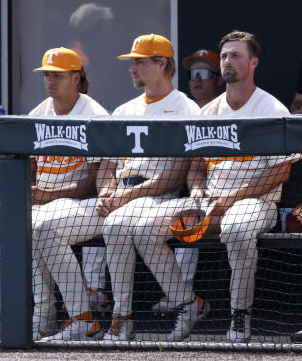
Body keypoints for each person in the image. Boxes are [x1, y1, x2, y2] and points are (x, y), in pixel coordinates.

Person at [130, 31, 293, 343]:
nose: (228, 61)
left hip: (256, 204)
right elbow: (196, 166)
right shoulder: (208, 112)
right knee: (143, 228)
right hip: (211, 201)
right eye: (225, 56)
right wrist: (196, 192)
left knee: (236, 229)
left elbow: (280, 173)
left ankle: (239, 316)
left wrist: (232, 196)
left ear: (253, 62)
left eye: (236, 55)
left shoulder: (271, 109)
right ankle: (187, 304)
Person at [0, 47, 108, 340]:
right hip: (43, 201)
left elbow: (94, 182)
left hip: (79, 204)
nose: (50, 81)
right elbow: (27, 168)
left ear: (76, 78)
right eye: (46, 76)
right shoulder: (38, 113)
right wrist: (22, 194)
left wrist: (46, 194)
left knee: (39, 226)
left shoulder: (94, 114)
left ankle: (52, 317)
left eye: (57, 76)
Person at [99, 34, 203, 341]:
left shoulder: (186, 108)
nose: (132, 68)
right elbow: (106, 164)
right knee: (112, 223)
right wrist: (106, 190)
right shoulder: (123, 110)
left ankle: (122, 318)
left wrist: (123, 196)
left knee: (117, 225)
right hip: (121, 194)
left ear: (161, 64)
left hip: (159, 196)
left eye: (139, 62)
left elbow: (176, 175)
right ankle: (182, 304)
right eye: (131, 62)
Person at [151, 48, 223, 314]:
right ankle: (179, 293)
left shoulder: (217, 110)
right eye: (193, 74)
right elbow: (193, 168)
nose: (197, 80)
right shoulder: (186, 110)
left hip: (223, 195)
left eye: (204, 73)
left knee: (190, 216)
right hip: (183, 189)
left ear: (218, 78)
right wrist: (197, 191)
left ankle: (181, 293)